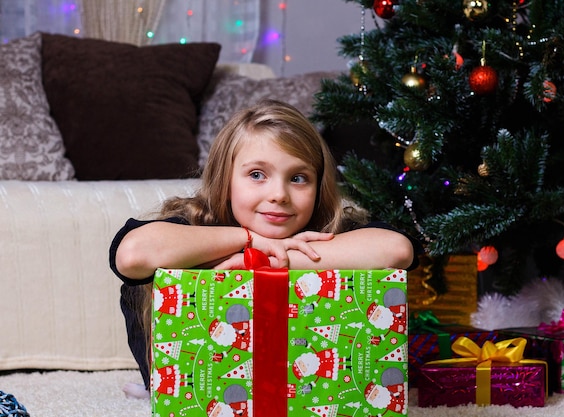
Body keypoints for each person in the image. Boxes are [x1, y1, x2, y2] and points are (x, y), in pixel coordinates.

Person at [109, 99, 421, 399]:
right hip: (199, 387)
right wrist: (250, 241)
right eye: (257, 175)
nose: (279, 194)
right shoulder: (196, 223)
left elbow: (397, 250)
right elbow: (133, 256)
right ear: (225, 179)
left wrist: (261, 262)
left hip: (307, 386)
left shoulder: (327, 229)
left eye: (298, 178)